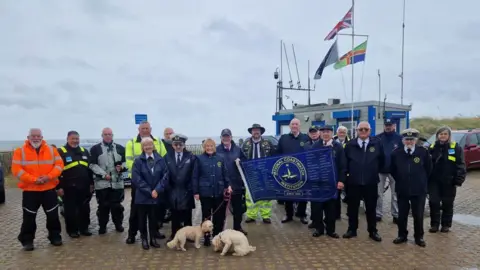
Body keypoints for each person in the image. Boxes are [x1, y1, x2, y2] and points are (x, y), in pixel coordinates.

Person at [12, 128, 64, 251]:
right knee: (29, 217)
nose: (36, 138)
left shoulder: (52, 150)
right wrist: (34, 179)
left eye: (38, 136)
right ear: (28, 137)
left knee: (53, 216)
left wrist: (48, 177)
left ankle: (55, 236)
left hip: (49, 189)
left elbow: (59, 165)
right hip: (30, 190)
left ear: (42, 137)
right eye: (33, 136)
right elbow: (16, 170)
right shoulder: (20, 151)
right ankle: (27, 240)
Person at [125, 121, 168, 244]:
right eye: (142, 128)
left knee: (155, 212)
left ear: (150, 129)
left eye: (147, 128)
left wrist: (157, 187)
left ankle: (154, 233)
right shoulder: (132, 143)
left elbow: (164, 159)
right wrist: (144, 184)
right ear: (139, 129)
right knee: (136, 212)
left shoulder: (158, 141)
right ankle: (132, 234)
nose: (145, 130)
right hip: (139, 185)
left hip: (156, 186)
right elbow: (129, 162)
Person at [390, 129, 432, 247]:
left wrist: (421, 180)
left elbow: (429, 169)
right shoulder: (396, 153)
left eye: (412, 139)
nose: (409, 141)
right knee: (402, 215)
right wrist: (401, 179)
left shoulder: (423, 152)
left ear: (416, 140)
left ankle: (419, 237)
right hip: (402, 188)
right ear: (403, 140)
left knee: (418, 215)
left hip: (418, 190)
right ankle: (402, 235)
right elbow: (393, 170)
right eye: (407, 139)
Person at [343, 121, 383, 242]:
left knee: (371, 208)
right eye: (361, 129)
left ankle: (372, 231)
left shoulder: (377, 144)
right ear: (357, 131)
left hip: (370, 182)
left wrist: (373, 171)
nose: (363, 131)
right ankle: (352, 229)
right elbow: (345, 163)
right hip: (353, 182)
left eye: (366, 129)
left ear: (370, 131)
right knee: (352, 208)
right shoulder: (350, 145)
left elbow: (382, 161)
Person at [193, 138, 232, 246]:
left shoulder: (220, 158)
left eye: (211, 146)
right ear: (204, 148)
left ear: (214, 147)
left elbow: (225, 174)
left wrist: (228, 185)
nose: (209, 148)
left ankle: (217, 236)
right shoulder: (199, 159)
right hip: (205, 192)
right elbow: (195, 176)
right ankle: (206, 237)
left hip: (219, 192)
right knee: (206, 216)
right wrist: (196, 191)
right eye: (207, 146)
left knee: (219, 216)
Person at [131, 137, 169, 250]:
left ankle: (153, 239)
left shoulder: (160, 159)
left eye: (150, 145)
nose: (148, 147)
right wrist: (149, 191)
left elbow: (165, 176)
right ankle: (144, 239)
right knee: (142, 219)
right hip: (143, 196)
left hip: (156, 196)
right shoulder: (138, 161)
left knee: (153, 219)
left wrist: (157, 190)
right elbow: (136, 179)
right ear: (142, 147)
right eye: (145, 145)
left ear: (153, 146)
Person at [428, 126, 466, 233]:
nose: (443, 136)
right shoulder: (431, 147)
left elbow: (461, 164)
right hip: (434, 181)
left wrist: (459, 179)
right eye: (440, 134)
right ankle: (434, 224)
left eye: (445, 134)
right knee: (434, 202)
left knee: (447, 203)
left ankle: (446, 225)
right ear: (437, 136)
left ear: (449, 136)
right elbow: (426, 164)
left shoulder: (456, 148)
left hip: (449, 181)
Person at [311, 125, 346, 238]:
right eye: (323, 132)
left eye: (328, 132)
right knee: (317, 207)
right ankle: (319, 229)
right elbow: (311, 163)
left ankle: (331, 230)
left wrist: (341, 180)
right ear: (320, 133)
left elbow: (343, 166)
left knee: (331, 208)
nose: (325, 134)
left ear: (332, 133)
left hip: (332, 183)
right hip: (318, 182)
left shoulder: (338, 147)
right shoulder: (315, 146)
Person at [57, 131, 94, 238]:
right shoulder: (60, 152)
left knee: (85, 208)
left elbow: (89, 170)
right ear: (67, 139)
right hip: (68, 187)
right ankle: (72, 230)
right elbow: (57, 172)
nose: (75, 141)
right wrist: (58, 187)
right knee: (70, 210)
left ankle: (84, 228)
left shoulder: (84, 151)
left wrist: (91, 184)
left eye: (77, 138)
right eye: (72, 138)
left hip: (84, 186)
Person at [89, 128, 126, 234]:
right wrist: (103, 174)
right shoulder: (95, 149)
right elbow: (92, 165)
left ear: (112, 135)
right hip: (102, 184)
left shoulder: (120, 148)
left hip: (117, 183)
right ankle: (102, 226)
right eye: (105, 134)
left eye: (110, 134)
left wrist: (122, 167)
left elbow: (125, 162)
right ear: (102, 135)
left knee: (117, 207)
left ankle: (118, 224)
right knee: (103, 207)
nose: (108, 136)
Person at [276, 118, 309, 224]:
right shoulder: (283, 138)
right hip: (287, 171)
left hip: (302, 171)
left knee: (303, 194)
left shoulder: (305, 137)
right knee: (288, 193)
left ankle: (302, 214)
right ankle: (288, 214)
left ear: (299, 126)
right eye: (292, 124)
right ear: (289, 126)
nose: (294, 126)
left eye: (296, 124)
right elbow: (278, 153)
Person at [241, 124, 275, 224]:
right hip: (251, 173)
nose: (256, 132)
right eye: (254, 130)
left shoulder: (268, 143)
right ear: (251, 132)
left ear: (261, 132)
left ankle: (265, 215)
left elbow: (273, 156)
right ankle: (251, 215)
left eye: (258, 130)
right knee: (250, 195)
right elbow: (242, 157)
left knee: (266, 195)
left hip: (265, 172)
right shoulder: (246, 143)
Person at [164, 134, 196, 240]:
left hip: (186, 190)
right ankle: (174, 235)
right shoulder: (167, 157)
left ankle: (189, 236)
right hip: (173, 190)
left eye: (180, 144)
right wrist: (168, 188)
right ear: (172, 145)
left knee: (187, 215)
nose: (178, 147)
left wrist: (191, 189)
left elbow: (194, 174)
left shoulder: (190, 156)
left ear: (184, 145)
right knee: (175, 215)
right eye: (176, 144)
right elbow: (164, 174)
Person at [216, 128, 248, 234]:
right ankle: (219, 231)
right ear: (221, 138)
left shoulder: (238, 149)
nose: (226, 138)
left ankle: (237, 228)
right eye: (224, 136)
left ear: (231, 137)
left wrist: (241, 162)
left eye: (228, 136)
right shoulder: (217, 150)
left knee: (238, 210)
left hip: (237, 185)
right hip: (222, 186)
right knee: (221, 211)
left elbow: (245, 163)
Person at [375, 118, 402, 223]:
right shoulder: (378, 138)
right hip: (380, 170)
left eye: (390, 125)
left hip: (395, 171)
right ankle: (378, 214)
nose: (388, 126)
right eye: (386, 124)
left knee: (395, 194)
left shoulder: (400, 138)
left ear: (394, 126)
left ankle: (396, 214)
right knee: (378, 193)